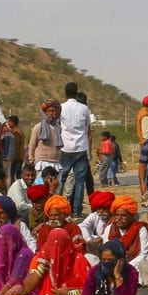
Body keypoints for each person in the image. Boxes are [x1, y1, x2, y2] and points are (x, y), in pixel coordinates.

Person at [0, 228, 92, 295]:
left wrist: (68, 294)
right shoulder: (40, 258)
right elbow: (27, 288)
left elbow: (90, 291)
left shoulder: (79, 260)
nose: (56, 249)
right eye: (53, 245)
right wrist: (42, 267)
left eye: (60, 245)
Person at [57, 82, 92, 217]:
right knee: (79, 181)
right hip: (81, 147)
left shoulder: (61, 108)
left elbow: (59, 125)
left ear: (65, 93)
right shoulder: (84, 109)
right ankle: (76, 211)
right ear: (77, 92)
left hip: (65, 147)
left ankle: (58, 208)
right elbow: (86, 128)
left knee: (61, 179)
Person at [102, 196, 148, 273]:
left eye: (123, 215)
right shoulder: (110, 228)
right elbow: (106, 251)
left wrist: (125, 267)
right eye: (117, 215)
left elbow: (143, 254)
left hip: (134, 265)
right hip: (112, 265)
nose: (119, 218)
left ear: (131, 216)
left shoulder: (140, 229)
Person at [6, 115, 25, 182]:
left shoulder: (16, 132)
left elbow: (15, 145)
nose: (8, 123)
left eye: (9, 122)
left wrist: (12, 156)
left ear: (12, 122)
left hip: (17, 157)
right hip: (19, 156)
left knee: (14, 175)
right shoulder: (18, 131)